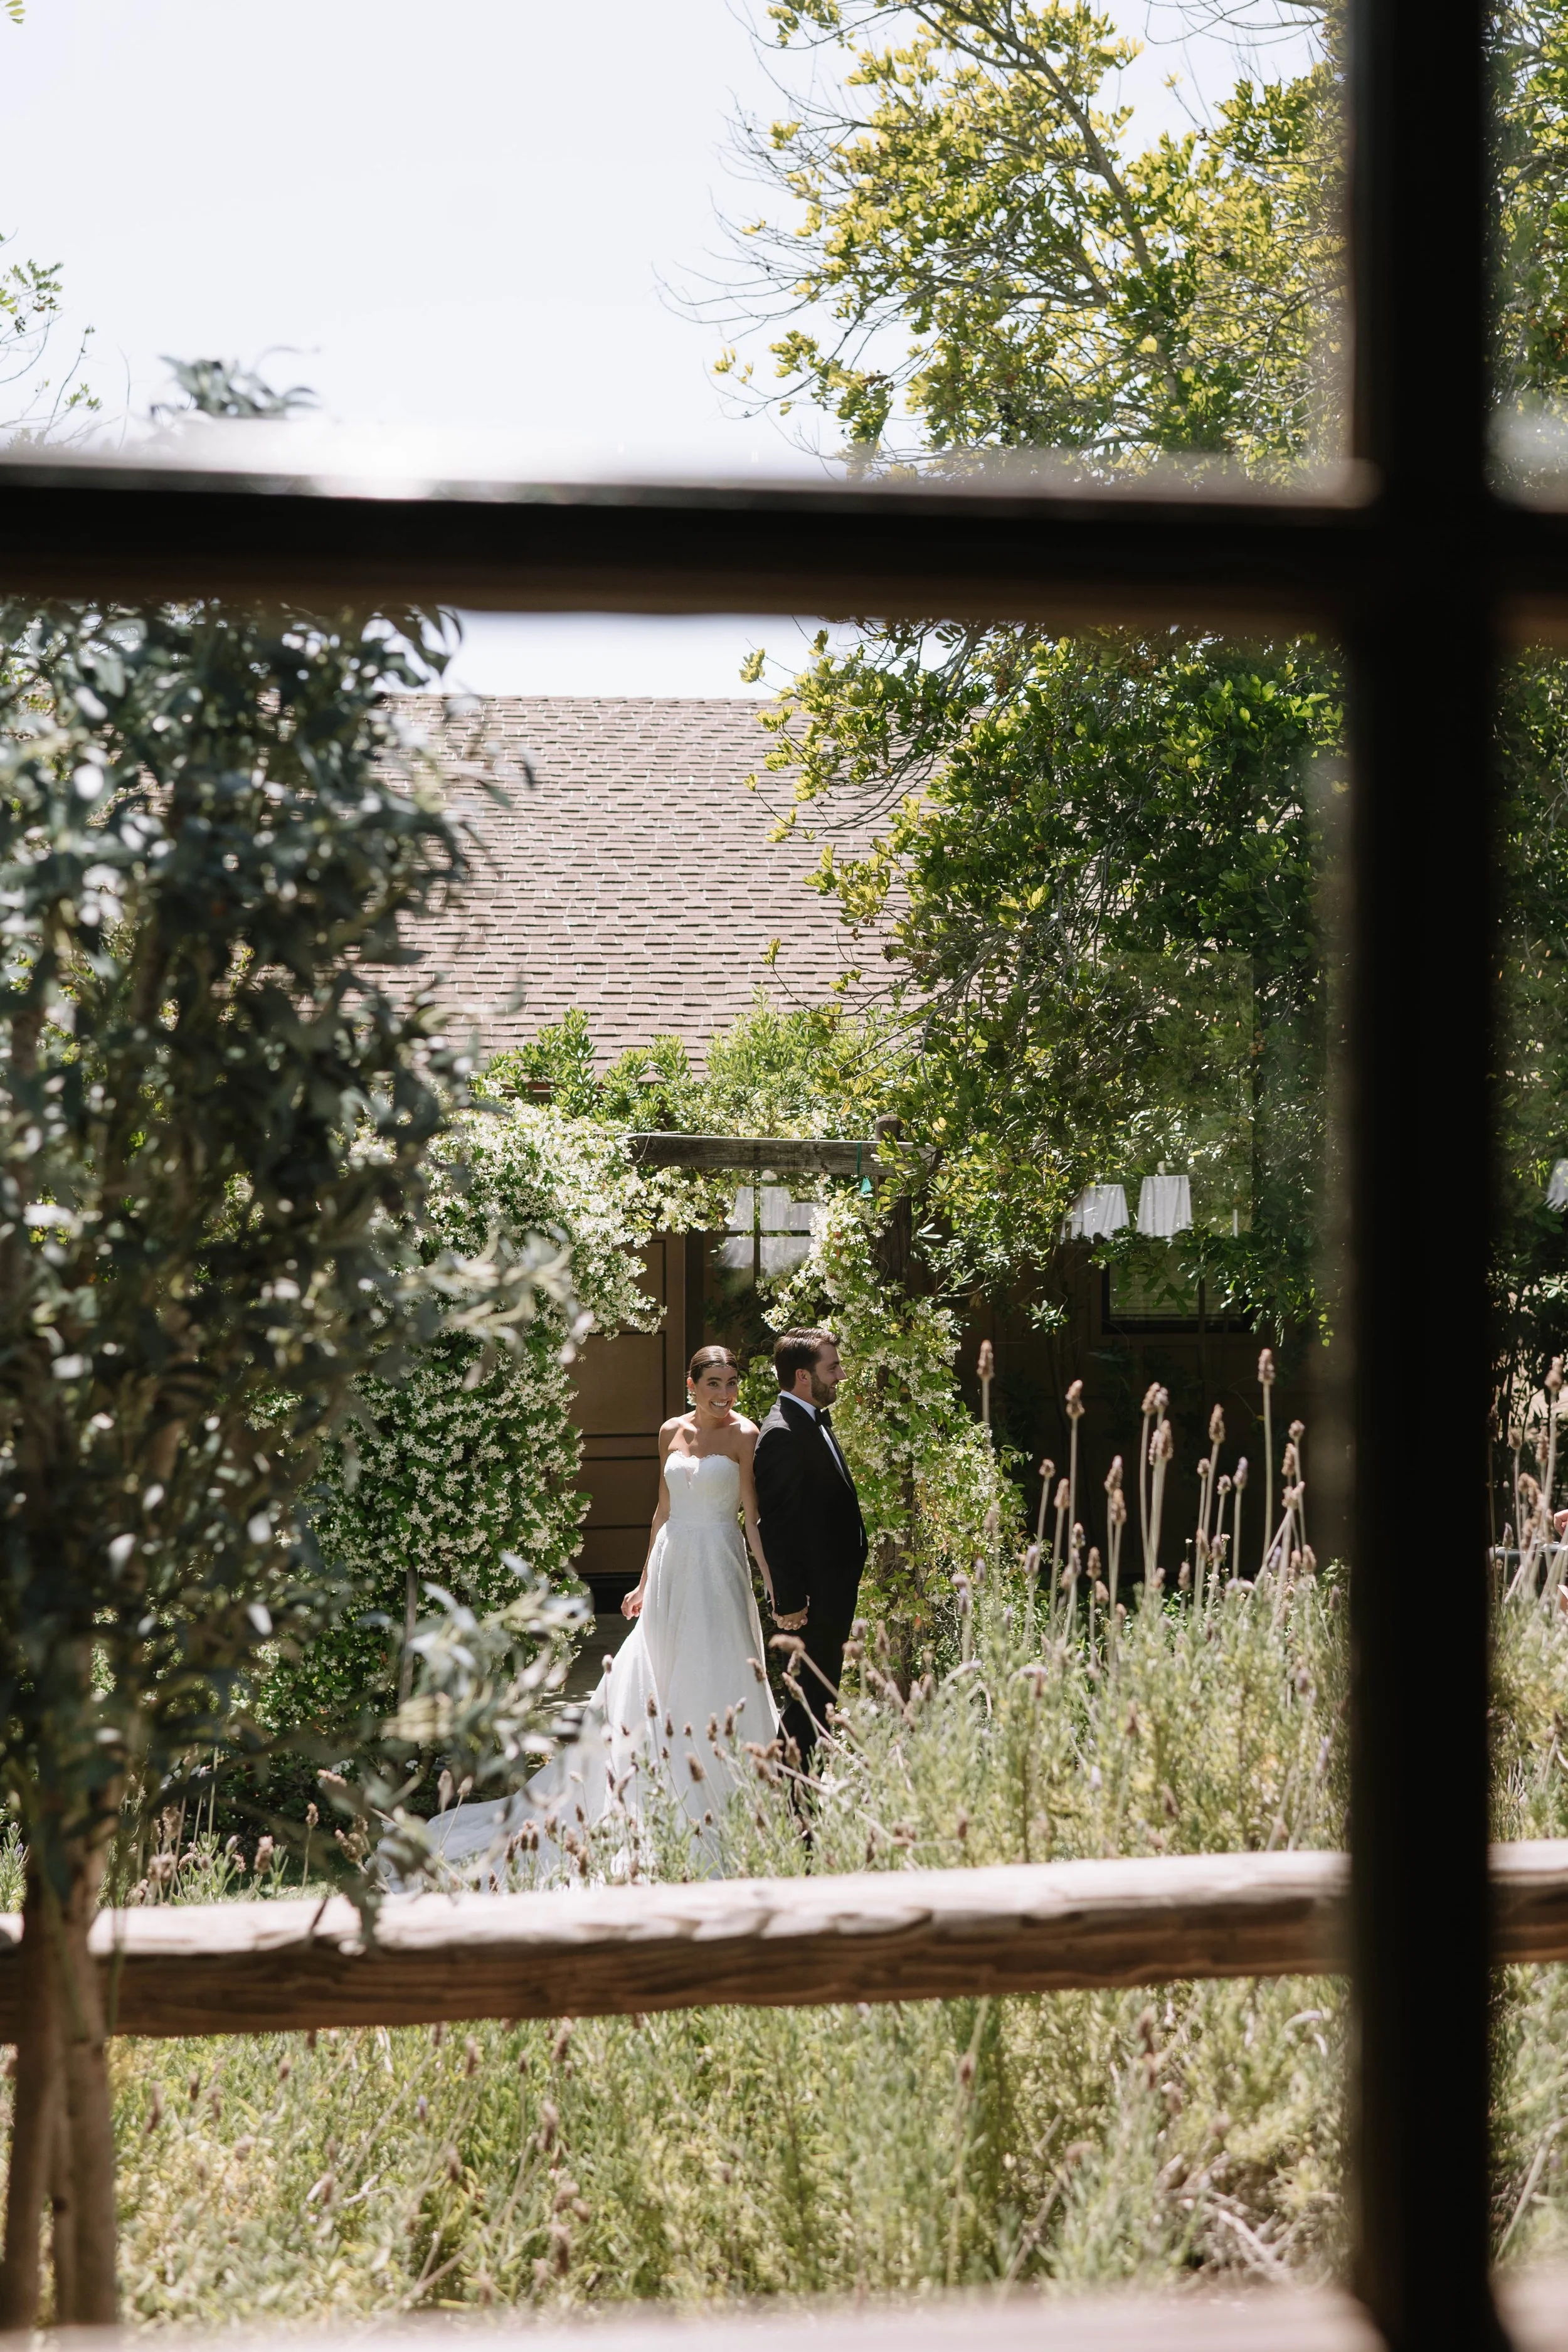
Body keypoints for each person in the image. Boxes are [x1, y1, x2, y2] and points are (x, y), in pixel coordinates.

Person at [425, 1345, 781, 1870]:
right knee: (657, 1665)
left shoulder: (745, 1435)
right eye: (714, 1383)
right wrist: (642, 1581)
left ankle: (723, 1792)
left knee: (717, 1663)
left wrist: (771, 1580)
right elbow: (662, 1511)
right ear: (691, 1385)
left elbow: (752, 1515)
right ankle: (649, 1782)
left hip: (718, 1563)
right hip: (672, 1563)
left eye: (731, 1383)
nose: (725, 1394)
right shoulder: (669, 1431)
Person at [753, 1328, 867, 1769]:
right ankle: (791, 1794)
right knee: (807, 1700)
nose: (841, 1375)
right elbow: (777, 1526)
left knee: (821, 1696)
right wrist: (790, 1602)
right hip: (811, 1601)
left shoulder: (811, 1418)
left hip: (830, 1589)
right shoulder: (782, 1433)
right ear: (803, 1376)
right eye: (832, 1367)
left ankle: (805, 1790)